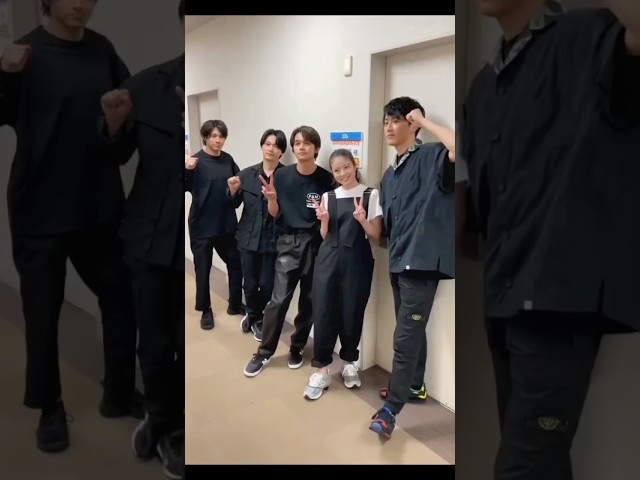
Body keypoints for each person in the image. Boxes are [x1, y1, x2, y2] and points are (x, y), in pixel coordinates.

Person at [462, 0, 639, 478]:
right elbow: (482, 204)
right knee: (534, 459)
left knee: (525, 466)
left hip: (559, 298)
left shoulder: (591, 36)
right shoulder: (482, 88)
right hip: (502, 298)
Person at [0, 0, 141, 454]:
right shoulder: (25, 54)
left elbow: (122, 141)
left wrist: (117, 125)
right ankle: (50, 407)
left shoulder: (103, 52)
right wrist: (1, 71)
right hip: (38, 211)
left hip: (97, 206)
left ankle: (118, 392)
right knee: (42, 313)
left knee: (120, 296)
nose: (79, 2)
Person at [100, 0, 187, 477]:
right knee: (153, 343)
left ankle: (175, 423)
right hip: (149, 236)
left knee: (186, 343)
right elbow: (113, 155)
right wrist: (113, 125)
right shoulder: (147, 85)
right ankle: (163, 420)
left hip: (197, 241)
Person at [369, 96, 455, 439]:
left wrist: (425, 121)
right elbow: (387, 228)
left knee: (404, 338)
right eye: (386, 121)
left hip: (422, 264)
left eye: (396, 120)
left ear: (413, 124)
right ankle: (416, 385)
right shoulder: (389, 175)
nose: (389, 127)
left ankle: (391, 411)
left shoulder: (433, 156)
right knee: (411, 331)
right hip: (398, 262)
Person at [243, 125, 334, 377]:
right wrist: (272, 199)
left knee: (310, 301)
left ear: (316, 148)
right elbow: (275, 213)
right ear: (293, 148)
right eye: (297, 143)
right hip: (288, 242)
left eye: (307, 143)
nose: (301, 147)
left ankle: (297, 347)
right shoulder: (281, 176)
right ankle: (264, 352)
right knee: (278, 299)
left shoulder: (326, 179)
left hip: (316, 244)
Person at [302, 149, 382, 400]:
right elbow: (324, 235)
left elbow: (376, 234)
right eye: (337, 170)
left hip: (357, 262)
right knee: (324, 312)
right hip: (327, 261)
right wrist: (324, 219)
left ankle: (349, 362)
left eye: (346, 167)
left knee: (352, 311)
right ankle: (321, 369)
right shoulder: (328, 196)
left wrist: (362, 220)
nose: (342, 173)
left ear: (354, 165)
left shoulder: (370, 194)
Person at [185, 119, 246, 330]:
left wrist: (235, 190)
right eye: (213, 136)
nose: (218, 140)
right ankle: (206, 310)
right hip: (201, 226)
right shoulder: (195, 161)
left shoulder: (228, 160)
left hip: (225, 224)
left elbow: (237, 192)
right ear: (205, 137)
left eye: (221, 136)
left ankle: (235, 304)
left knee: (236, 262)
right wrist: (187, 169)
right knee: (203, 269)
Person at [229, 129, 287, 342]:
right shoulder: (246, 174)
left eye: (276, 145)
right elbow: (234, 203)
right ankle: (254, 318)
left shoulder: (287, 177)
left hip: (273, 239)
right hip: (247, 237)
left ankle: (253, 314)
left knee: (268, 285)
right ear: (262, 146)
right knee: (250, 283)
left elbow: (284, 212)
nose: (271, 149)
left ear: (282, 152)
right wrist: (233, 191)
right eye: (267, 144)